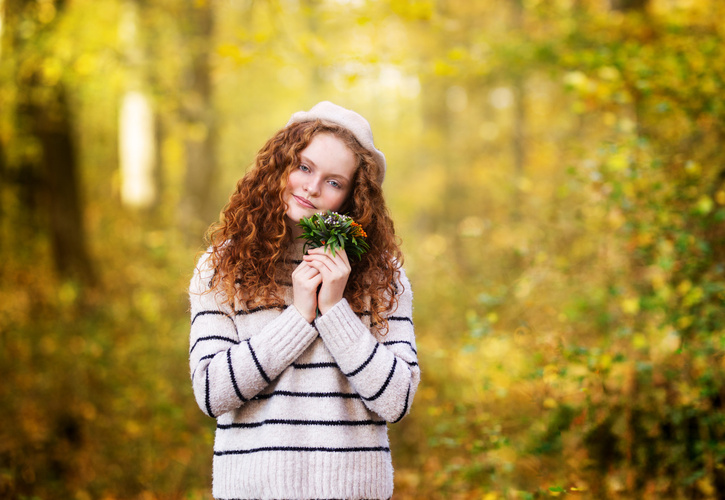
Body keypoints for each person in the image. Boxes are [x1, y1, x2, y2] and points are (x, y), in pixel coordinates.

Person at [188, 101, 420, 500]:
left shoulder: (383, 276)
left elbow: (397, 401)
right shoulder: (222, 266)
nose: (312, 187)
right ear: (279, 166)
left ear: (352, 197)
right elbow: (211, 393)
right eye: (304, 167)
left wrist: (334, 310)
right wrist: (299, 316)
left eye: (334, 182)